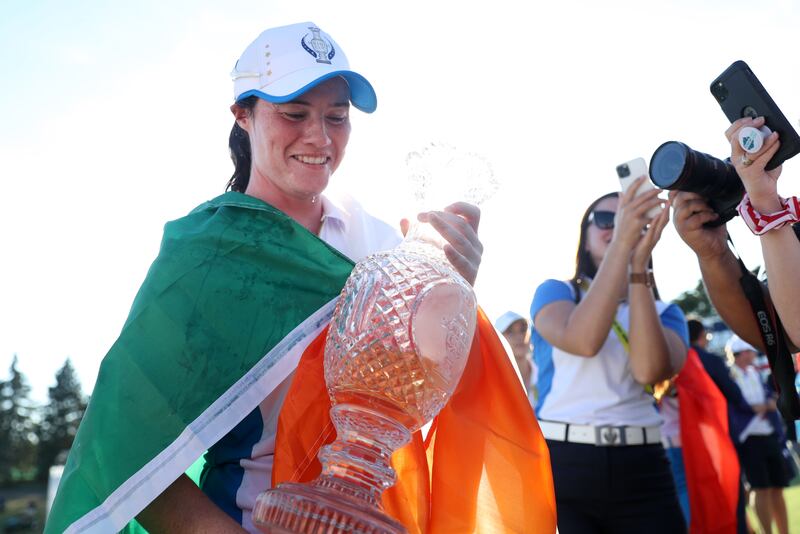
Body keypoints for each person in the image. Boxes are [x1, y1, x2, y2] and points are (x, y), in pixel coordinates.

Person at [45, 22, 494, 534]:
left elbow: (426, 407)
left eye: (337, 117)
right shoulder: (204, 255)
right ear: (243, 114)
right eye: (294, 113)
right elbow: (124, 442)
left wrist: (456, 291)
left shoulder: (382, 244)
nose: (320, 137)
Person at [530, 182, 689, 533]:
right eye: (605, 219)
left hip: (643, 463)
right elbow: (582, 340)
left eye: (631, 217)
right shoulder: (557, 292)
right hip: (565, 460)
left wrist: (637, 268)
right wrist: (623, 244)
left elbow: (649, 370)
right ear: (584, 238)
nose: (617, 225)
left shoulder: (666, 312)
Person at [688, 319, 753, 534]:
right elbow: (734, 395)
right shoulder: (709, 360)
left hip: (687, 441)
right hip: (719, 435)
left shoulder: (677, 360)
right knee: (731, 493)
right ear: (702, 335)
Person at [726, 335, 790, 534]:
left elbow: (766, 398)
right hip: (748, 439)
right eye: (750, 350)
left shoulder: (754, 372)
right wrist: (757, 408)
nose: (754, 354)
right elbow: (734, 405)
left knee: (778, 487)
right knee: (759, 488)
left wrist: (770, 403)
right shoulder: (729, 375)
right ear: (742, 354)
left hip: (769, 435)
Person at [494, 310, 536, 402]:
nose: (519, 336)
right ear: (497, 339)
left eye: (523, 329)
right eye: (510, 332)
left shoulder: (546, 372)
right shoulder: (494, 382)